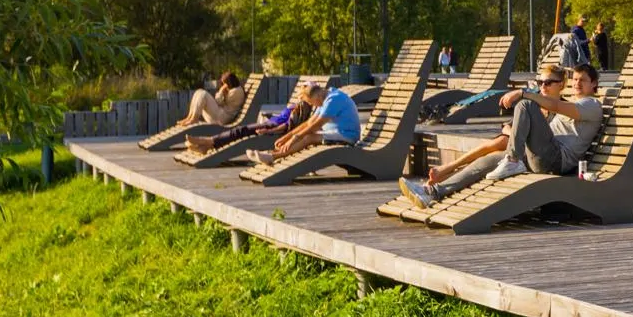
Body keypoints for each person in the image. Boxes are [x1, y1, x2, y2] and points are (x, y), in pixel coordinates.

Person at [397, 63, 604, 208]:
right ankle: (433, 192)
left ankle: (512, 159)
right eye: (575, 79)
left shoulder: (591, 105)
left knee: (525, 104)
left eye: (583, 80)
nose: (577, 84)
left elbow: (557, 105)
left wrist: (523, 93)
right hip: (540, 155)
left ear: (594, 84)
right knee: (489, 160)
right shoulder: (573, 104)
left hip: (556, 159)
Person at [251, 82, 364, 165]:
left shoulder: (333, 100)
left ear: (316, 96)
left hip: (347, 135)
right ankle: (271, 153)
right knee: (305, 134)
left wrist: (294, 139)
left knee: (309, 137)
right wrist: (286, 137)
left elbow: (316, 126)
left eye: (311, 102)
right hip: (334, 133)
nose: (313, 105)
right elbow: (309, 123)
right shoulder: (325, 97)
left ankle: (272, 156)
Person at [188, 96, 308, 153]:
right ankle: (208, 145)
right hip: (268, 122)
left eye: (303, 88)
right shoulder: (295, 105)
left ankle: (208, 141)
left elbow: (288, 125)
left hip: (270, 127)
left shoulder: (300, 107)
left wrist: (269, 131)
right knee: (240, 131)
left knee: (240, 131)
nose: (299, 93)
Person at [174, 72, 245, 128]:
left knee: (204, 94)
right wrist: (223, 92)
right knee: (199, 92)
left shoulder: (236, 91)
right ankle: (189, 117)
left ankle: (193, 119)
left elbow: (218, 102)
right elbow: (220, 102)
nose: (224, 85)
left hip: (223, 118)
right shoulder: (234, 90)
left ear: (229, 83)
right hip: (220, 115)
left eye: (224, 83)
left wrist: (221, 90)